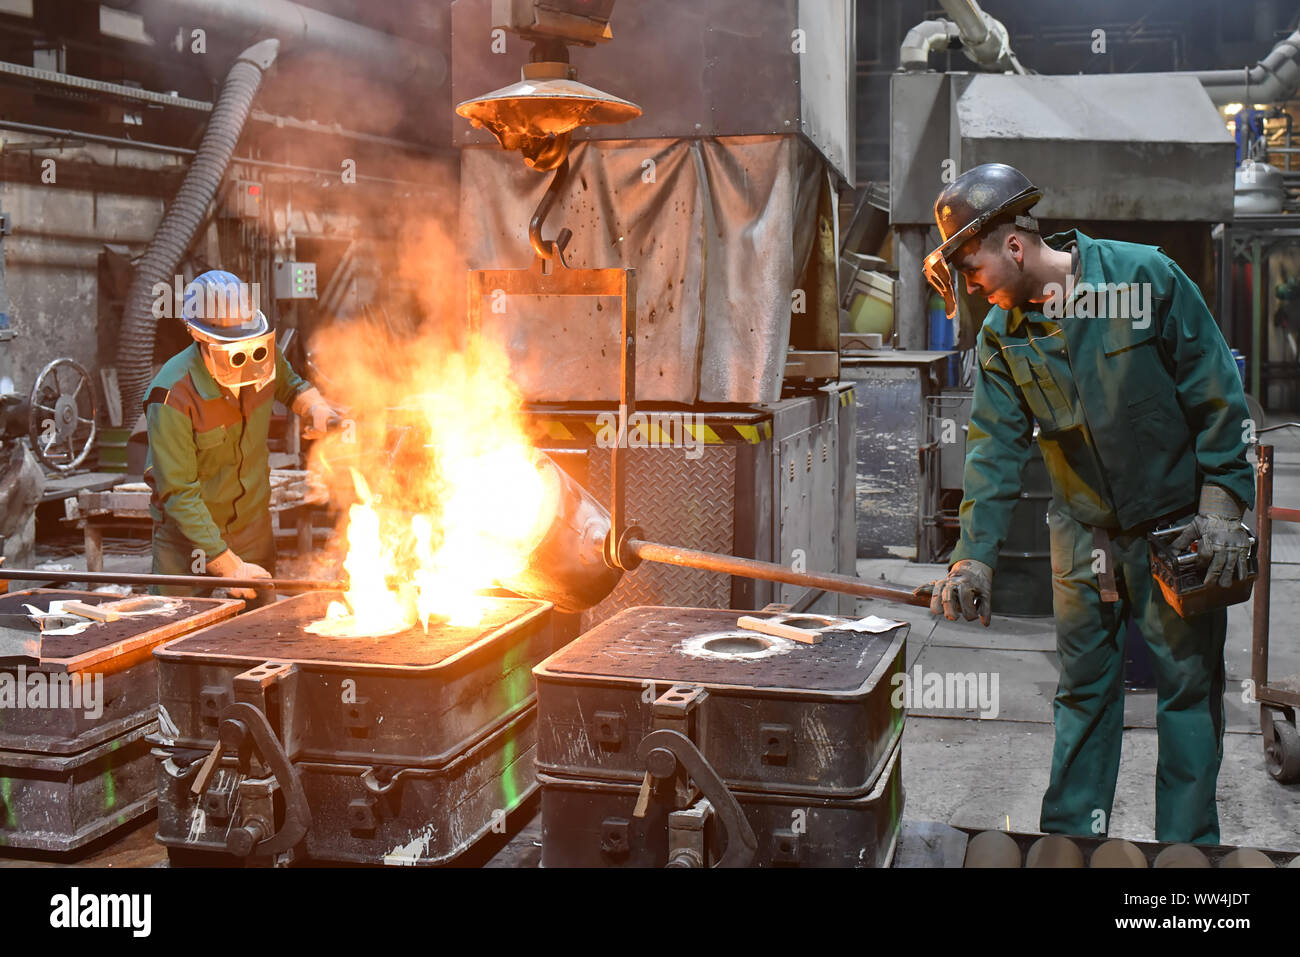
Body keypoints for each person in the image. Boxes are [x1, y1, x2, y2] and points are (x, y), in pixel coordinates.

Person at [915, 163, 1255, 845]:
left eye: (974, 269)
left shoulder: (1143, 279)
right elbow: (991, 451)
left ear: (1014, 247)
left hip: (1178, 526)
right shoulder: (1002, 338)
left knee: (1188, 693)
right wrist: (972, 558)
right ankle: (1070, 849)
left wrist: (1222, 506)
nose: (973, 289)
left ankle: (1185, 858)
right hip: (1083, 538)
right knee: (1083, 695)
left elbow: (1216, 390)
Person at [144, 269, 333, 605]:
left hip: (251, 526)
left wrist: (314, 406)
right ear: (197, 335)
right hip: (187, 541)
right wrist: (225, 563)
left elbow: (290, 386)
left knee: (258, 632)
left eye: (248, 341)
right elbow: (179, 492)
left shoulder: (261, 356)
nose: (244, 355)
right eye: (230, 346)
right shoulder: (172, 394)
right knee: (178, 631)